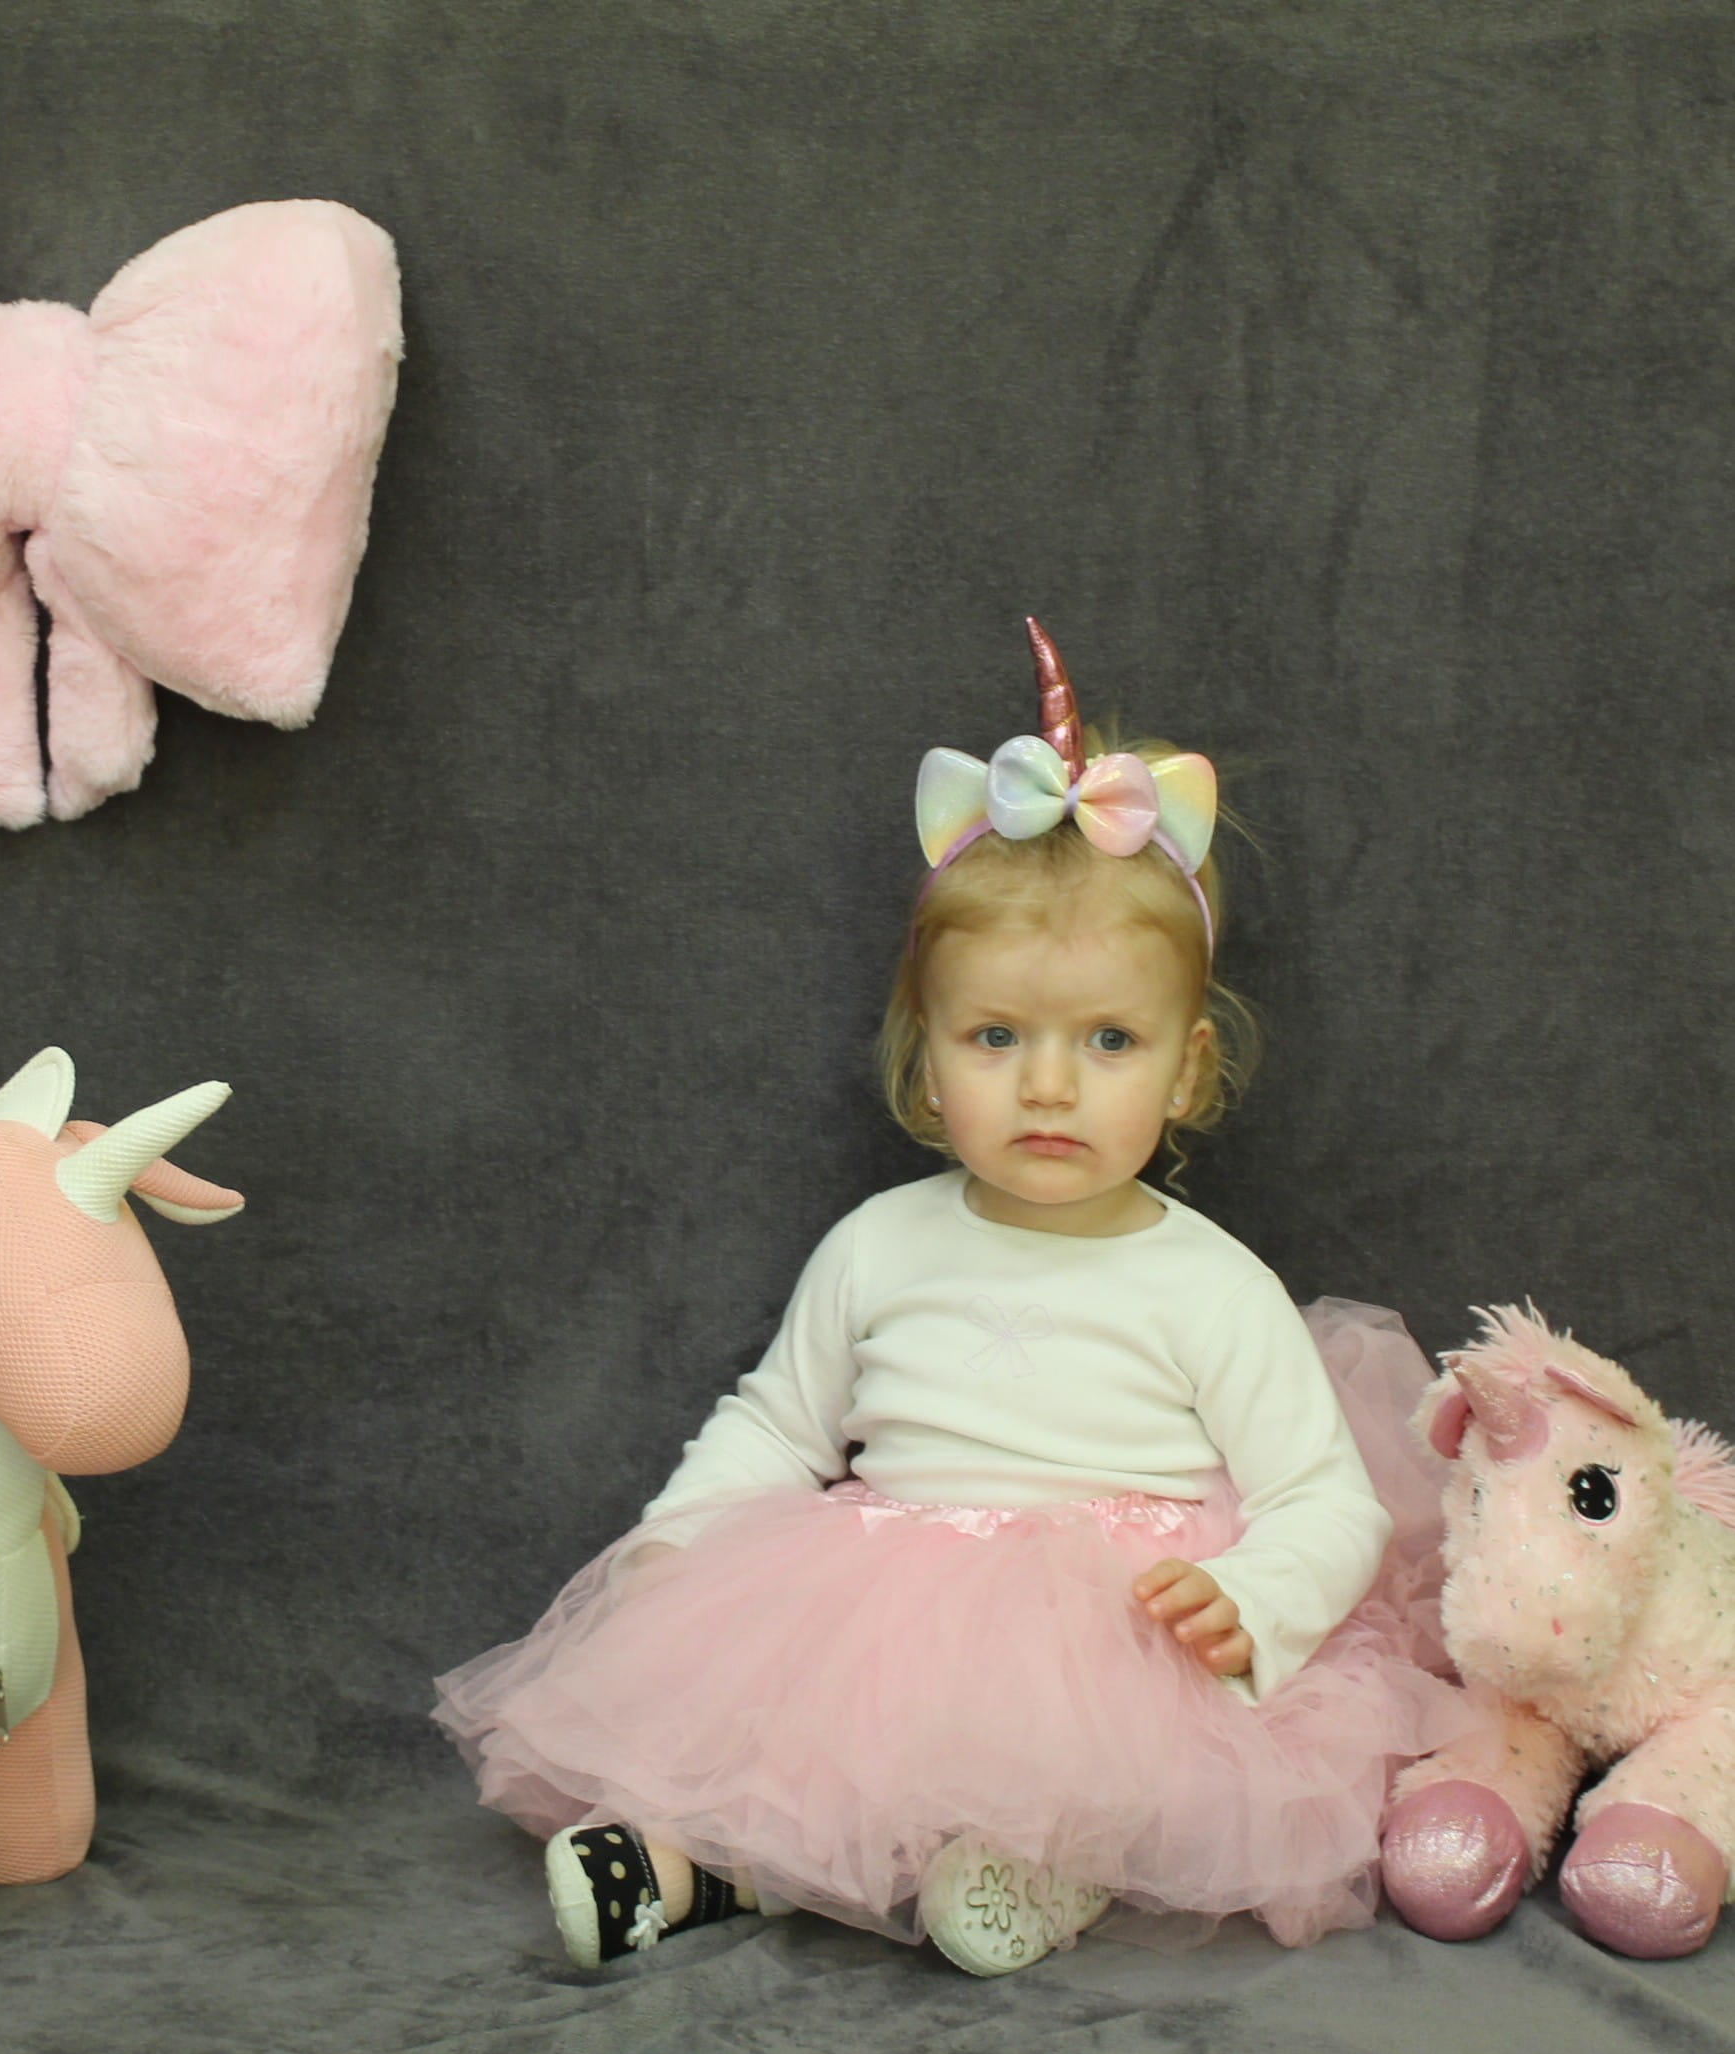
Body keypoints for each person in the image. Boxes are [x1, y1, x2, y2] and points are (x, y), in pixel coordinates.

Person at [434, 620, 1466, 1976]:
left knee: (1079, 1753)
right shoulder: (879, 1246)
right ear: (929, 1061)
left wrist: (1252, 1598)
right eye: (997, 1037)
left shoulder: (1211, 1285)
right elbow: (779, 1423)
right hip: (886, 1599)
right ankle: (696, 1869)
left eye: (1109, 1041)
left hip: (1111, 1630)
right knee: (790, 1731)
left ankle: (1048, 1862)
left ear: (1187, 1066)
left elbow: (1324, 1499)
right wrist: (678, 1546)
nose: (1049, 1084)